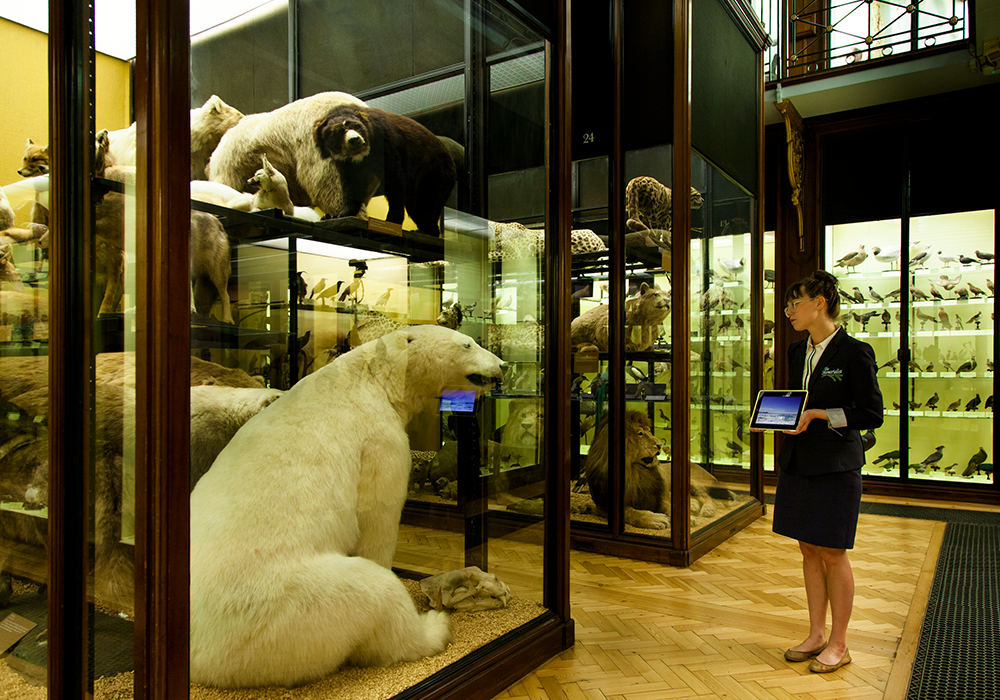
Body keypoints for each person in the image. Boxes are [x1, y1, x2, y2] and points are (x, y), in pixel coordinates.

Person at [773, 269, 883, 673]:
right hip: (798, 461)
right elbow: (792, 399)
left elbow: (872, 414)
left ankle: (840, 643)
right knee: (807, 549)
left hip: (836, 467)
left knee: (834, 553)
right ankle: (816, 634)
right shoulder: (795, 351)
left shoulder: (856, 352)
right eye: (786, 305)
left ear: (819, 304)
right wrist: (774, 417)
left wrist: (821, 414)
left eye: (794, 303)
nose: (788, 311)